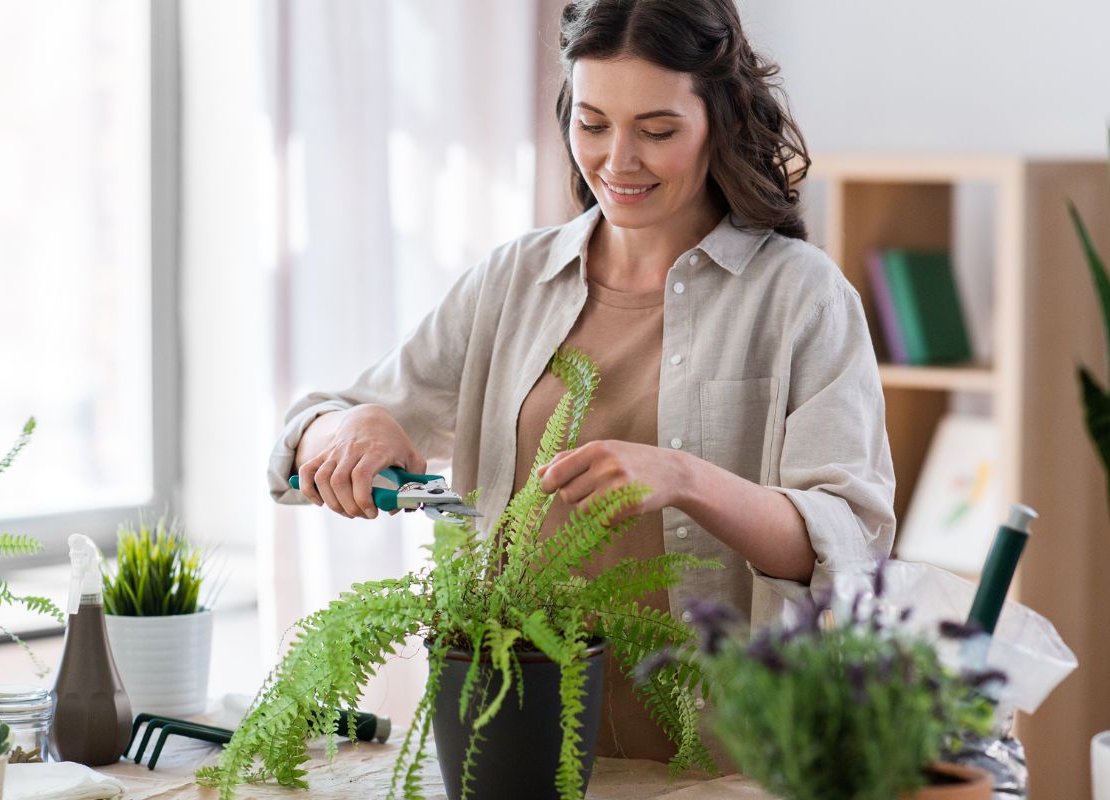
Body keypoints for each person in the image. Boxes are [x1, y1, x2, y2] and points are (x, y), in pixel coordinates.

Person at [268, 0, 894, 766]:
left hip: (719, 757)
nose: (617, 161)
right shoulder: (514, 280)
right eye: (593, 123)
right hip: (514, 746)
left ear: (718, 121)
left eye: (657, 131)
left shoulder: (802, 298)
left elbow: (847, 540)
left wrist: (685, 478)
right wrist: (343, 431)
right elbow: (316, 427)